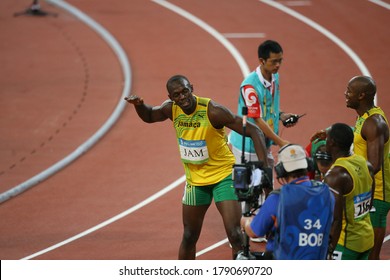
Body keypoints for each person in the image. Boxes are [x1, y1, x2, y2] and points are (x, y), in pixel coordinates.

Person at [124, 74, 269, 260]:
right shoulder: (171, 109)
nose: (182, 97)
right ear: (171, 98)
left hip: (223, 176)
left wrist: (264, 170)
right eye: (177, 95)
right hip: (195, 180)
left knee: (234, 234)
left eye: (185, 91)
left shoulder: (213, 111)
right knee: (189, 235)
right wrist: (139, 105)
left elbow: (254, 130)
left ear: (192, 88)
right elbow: (150, 115)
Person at [312, 76, 390, 259]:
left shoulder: (374, 123)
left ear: (362, 95)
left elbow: (375, 166)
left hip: (375, 193)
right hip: (364, 187)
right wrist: (334, 136)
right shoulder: (365, 117)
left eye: (349, 91)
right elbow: (360, 139)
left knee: (371, 257)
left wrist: (347, 173)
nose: (345, 94)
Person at [241, 144, 334, 259]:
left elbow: (255, 232)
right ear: (308, 165)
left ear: (281, 171)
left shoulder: (277, 198)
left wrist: (246, 221)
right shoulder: (327, 194)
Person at [229, 40, 300, 168]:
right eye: (274, 61)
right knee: (250, 186)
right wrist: (281, 142)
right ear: (262, 61)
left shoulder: (275, 76)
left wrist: (281, 115)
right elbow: (257, 120)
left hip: (264, 142)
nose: (278, 65)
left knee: (268, 184)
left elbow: (268, 106)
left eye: (280, 60)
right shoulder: (250, 87)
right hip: (248, 147)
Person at [324, 123, 375, 260]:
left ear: (332, 142)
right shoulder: (366, 164)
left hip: (345, 244)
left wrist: (329, 251)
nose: (325, 141)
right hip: (367, 238)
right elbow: (369, 204)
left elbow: (336, 220)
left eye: (327, 138)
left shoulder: (335, 176)